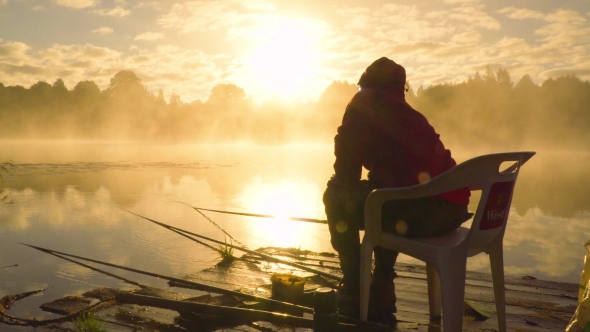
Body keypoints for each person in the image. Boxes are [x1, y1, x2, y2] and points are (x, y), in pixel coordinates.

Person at [323, 57, 471, 322]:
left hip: (423, 213)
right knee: (384, 196)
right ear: (400, 88)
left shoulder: (362, 103)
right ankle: (381, 287)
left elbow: (346, 174)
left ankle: (356, 289)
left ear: (364, 83)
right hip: (453, 212)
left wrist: (343, 149)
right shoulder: (409, 115)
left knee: (335, 196)